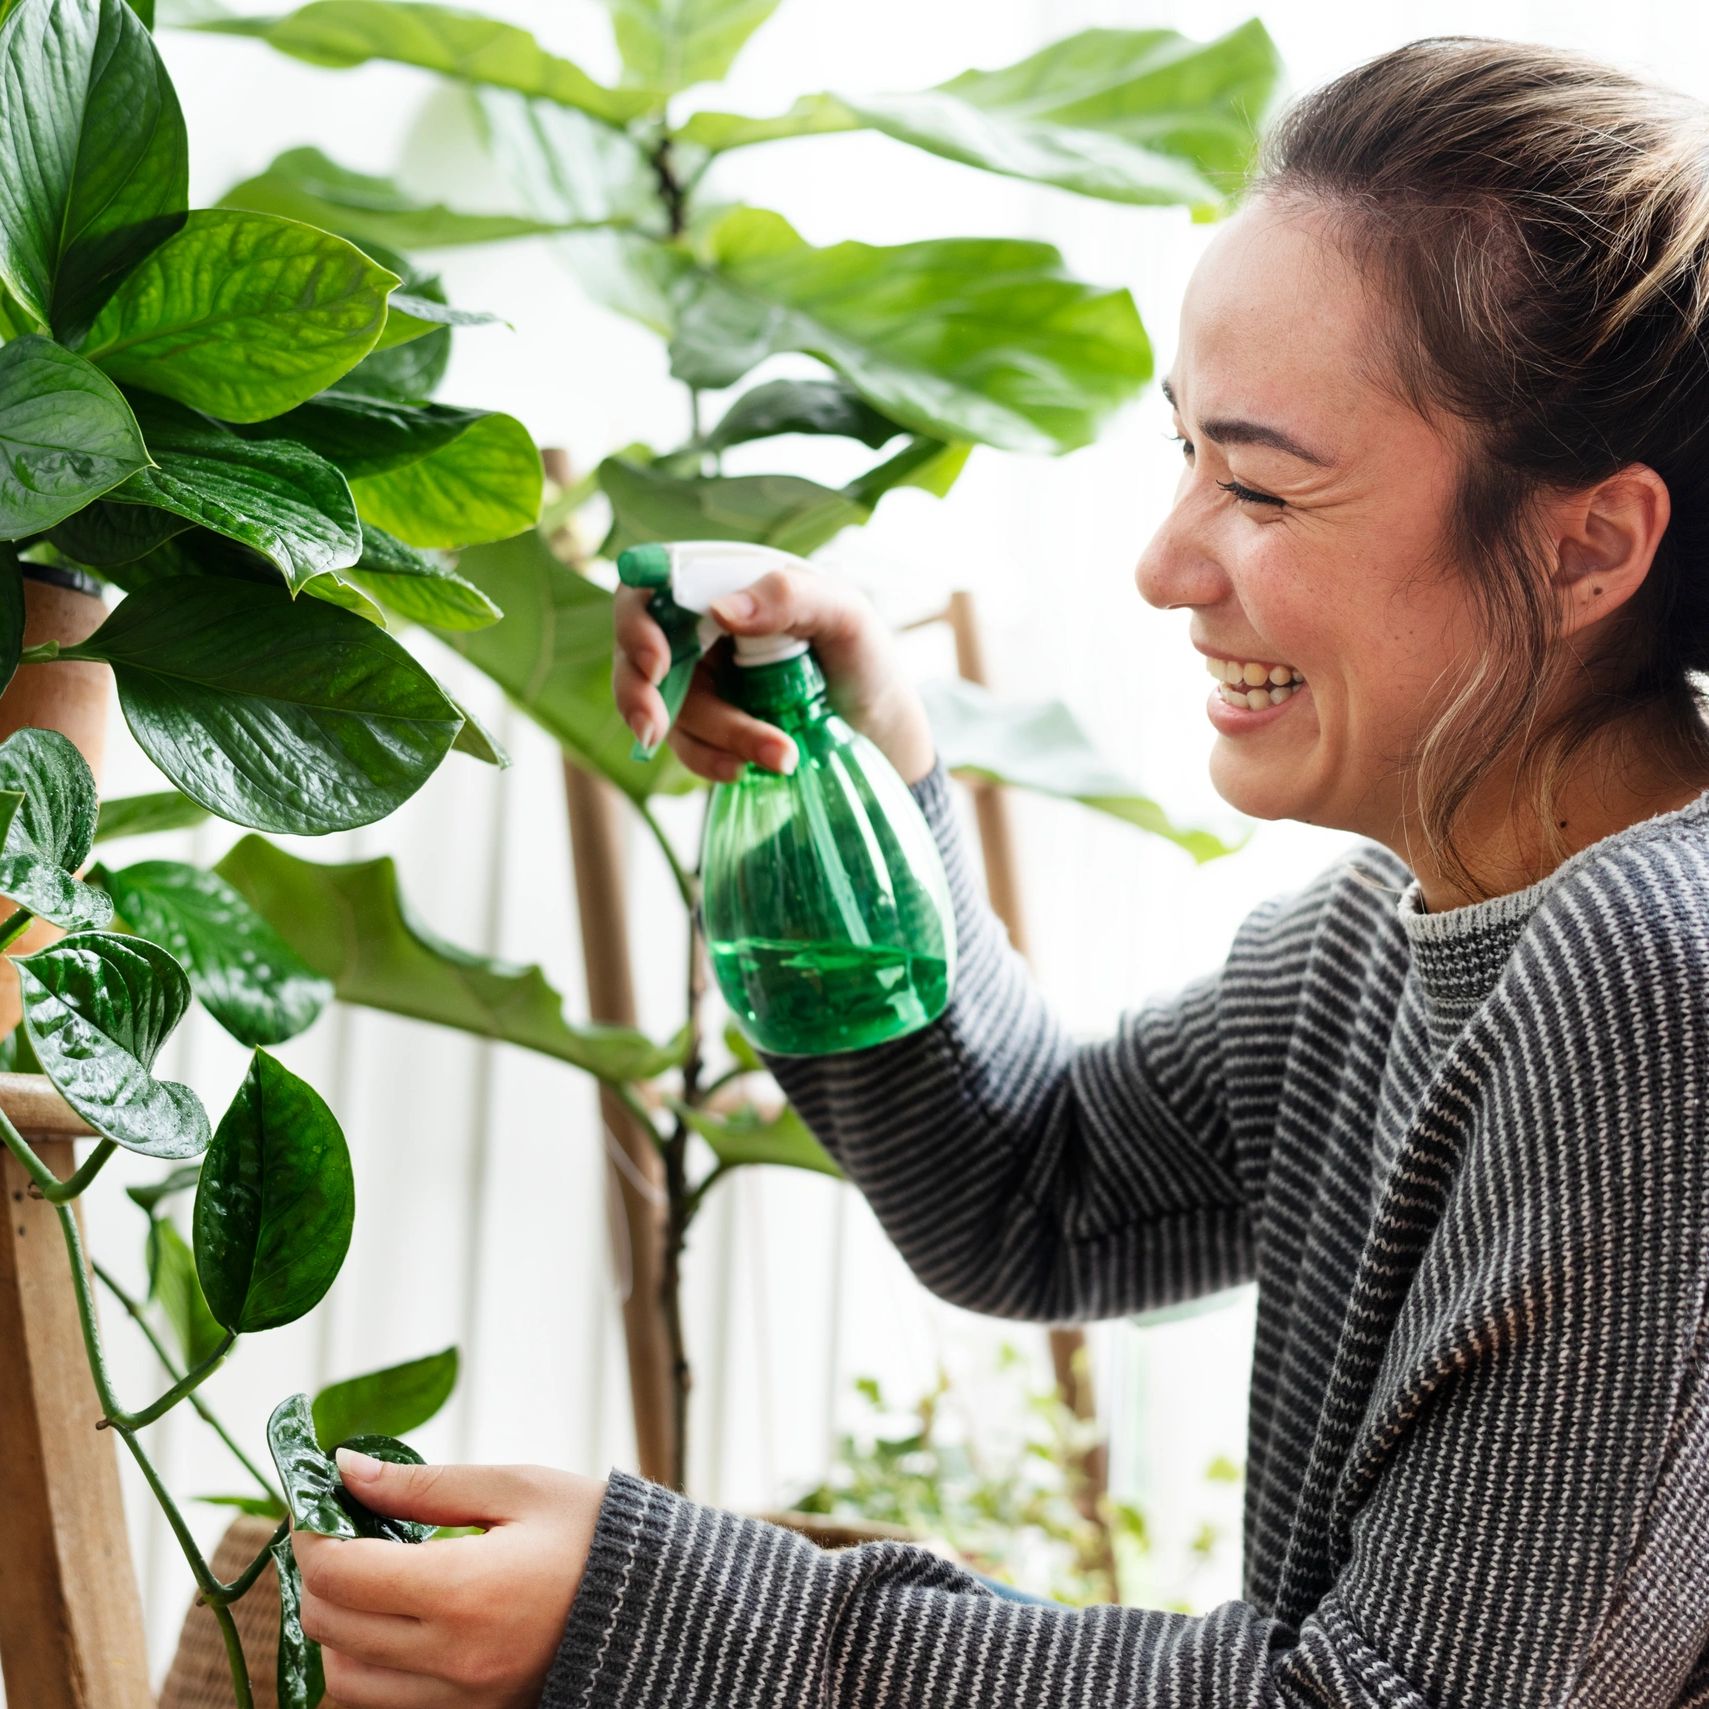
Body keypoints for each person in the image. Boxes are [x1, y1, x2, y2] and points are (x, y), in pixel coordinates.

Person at [289, 33, 1709, 1708]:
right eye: (1183, 454)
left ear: (1585, 545)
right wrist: (858, 762)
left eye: (1260, 485)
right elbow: (1024, 1191)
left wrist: (654, 1610)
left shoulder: (1654, 972)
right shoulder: (1373, 941)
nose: (1165, 562)